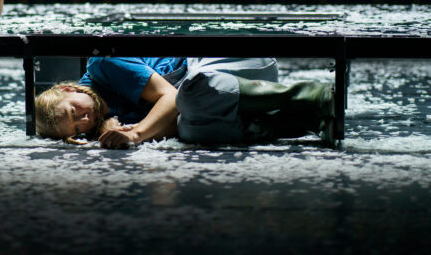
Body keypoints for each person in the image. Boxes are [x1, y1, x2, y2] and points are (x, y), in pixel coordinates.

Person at [35, 56, 336, 148]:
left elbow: (171, 96)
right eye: (76, 128)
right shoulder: (104, 118)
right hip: (222, 97)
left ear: (67, 88)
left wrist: (136, 132)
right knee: (188, 130)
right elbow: (172, 127)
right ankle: (305, 121)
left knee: (187, 97)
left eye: (74, 111)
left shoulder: (104, 64)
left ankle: (310, 95)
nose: (84, 120)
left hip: (235, 64)